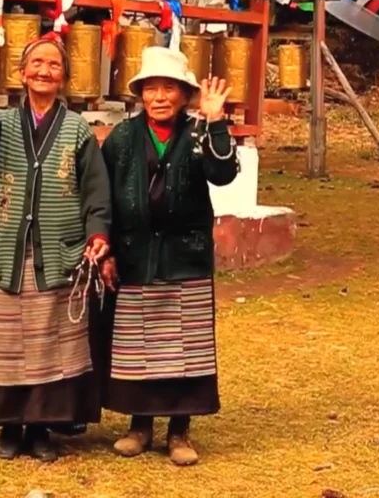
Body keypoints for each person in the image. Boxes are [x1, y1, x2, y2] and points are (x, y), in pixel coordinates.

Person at [0, 31, 112, 463]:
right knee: (6, 342)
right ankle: (8, 427)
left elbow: (96, 191)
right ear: (22, 74)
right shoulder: (2, 126)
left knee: (50, 345)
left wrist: (98, 234)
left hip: (56, 255)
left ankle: (42, 428)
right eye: (37, 64)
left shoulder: (77, 129)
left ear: (64, 77)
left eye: (54, 65)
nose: (45, 71)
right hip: (9, 253)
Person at [99, 45, 239, 466]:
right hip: (135, 255)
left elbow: (223, 173)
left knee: (185, 347)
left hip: (185, 256)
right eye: (151, 89)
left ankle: (179, 432)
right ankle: (140, 427)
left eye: (168, 89)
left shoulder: (199, 132)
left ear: (184, 94)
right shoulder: (123, 137)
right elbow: (103, 196)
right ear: (140, 94)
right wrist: (105, 249)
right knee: (138, 346)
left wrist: (216, 121)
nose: (159, 97)